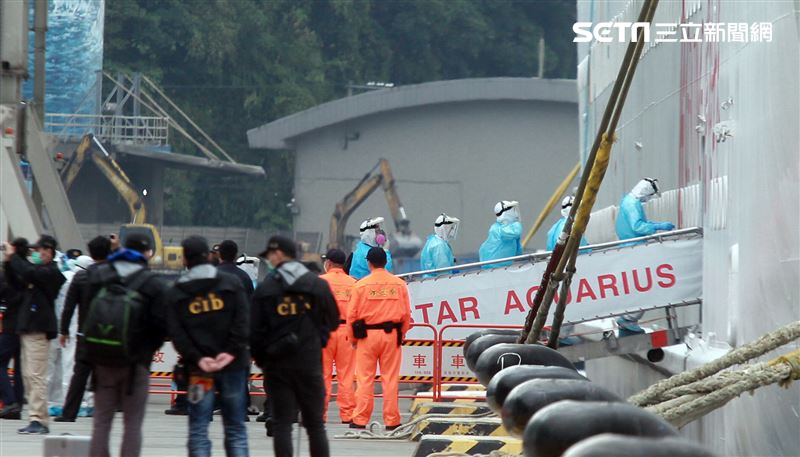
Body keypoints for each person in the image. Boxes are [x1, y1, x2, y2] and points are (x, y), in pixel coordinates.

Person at [251, 235, 339, 457]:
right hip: (309, 363)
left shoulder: (266, 288)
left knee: (282, 424)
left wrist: (264, 359)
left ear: (279, 254)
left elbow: (254, 331)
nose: (269, 260)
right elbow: (334, 319)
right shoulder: (317, 284)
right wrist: (318, 339)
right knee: (315, 425)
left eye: (270, 255)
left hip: (277, 366)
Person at [166, 236, 250, 457]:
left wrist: (199, 357)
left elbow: (177, 333)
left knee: (198, 429)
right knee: (236, 429)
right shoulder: (231, 284)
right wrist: (230, 353)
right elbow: (243, 322)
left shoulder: (178, 291)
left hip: (198, 370)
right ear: (208, 256)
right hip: (234, 366)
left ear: (184, 258)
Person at [85, 233, 168, 457]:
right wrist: (146, 351)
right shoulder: (152, 282)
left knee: (101, 422)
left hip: (101, 362)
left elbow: (87, 318)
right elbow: (161, 325)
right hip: (136, 364)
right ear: (148, 253)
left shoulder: (100, 275)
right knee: (132, 425)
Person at [3, 235, 65, 435]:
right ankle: (36, 418)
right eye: (36, 250)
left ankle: (39, 419)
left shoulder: (52, 273)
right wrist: (9, 262)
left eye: (41, 250)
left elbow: (28, 272)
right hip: (28, 329)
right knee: (29, 376)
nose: (38, 253)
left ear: (50, 251)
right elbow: (16, 282)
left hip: (39, 329)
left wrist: (15, 257)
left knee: (36, 376)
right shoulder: (37, 272)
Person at [348, 247, 411, 430]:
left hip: (366, 338)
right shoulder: (399, 284)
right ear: (386, 262)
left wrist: (353, 338)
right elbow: (406, 314)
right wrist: (401, 334)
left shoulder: (360, 285)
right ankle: (392, 421)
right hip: (391, 336)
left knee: (364, 379)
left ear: (368, 263)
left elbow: (352, 315)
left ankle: (360, 419)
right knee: (390, 379)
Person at [56, 236, 111, 422]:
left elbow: (69, 307)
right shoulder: (115, 276)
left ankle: (69, 413)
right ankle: (104, 412)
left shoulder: (80, 277)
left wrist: (63, 331)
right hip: (109, 333)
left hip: (85, 334)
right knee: (106, 375)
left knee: (79, 375)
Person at [615, 178, 675, 335]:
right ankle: (629, 318)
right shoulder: (632, 205)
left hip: (631, 248)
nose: (649, 199)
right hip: (635, 249)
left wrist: (655, 224)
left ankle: (628, 317)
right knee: (645, 285)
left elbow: (640, 222)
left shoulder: (628, 201)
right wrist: (658, 227)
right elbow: (637, 225)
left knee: (638, 284)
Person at [319, 248, 357, 424]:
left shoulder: (320, 282)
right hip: (346, 332)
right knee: (346, 375)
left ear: (329, 263)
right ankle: (347, 414)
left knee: (322, 374)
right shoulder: (353, 284)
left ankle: (320, 413)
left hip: (324, 331)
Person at [0, 239, 29, 420]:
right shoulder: (30, 271)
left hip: (12, 324)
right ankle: (17, 402)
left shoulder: (9, 274)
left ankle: (10, 402)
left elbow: (7, 294)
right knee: (19, 366)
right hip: (26, 326)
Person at [479, 201, 523, 268]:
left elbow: (518, 253)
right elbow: (515, 232)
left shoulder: (504, 228)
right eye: (511, 208)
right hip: (494, 268)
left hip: (503, 267)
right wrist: (517, 224)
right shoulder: (499, 230)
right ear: (506, 212)